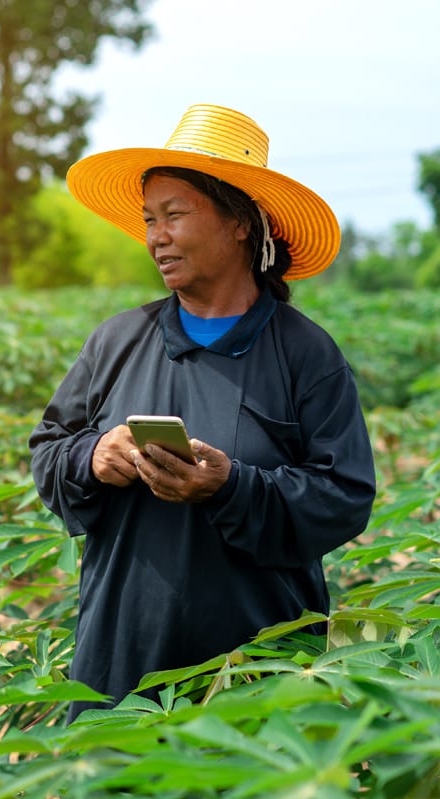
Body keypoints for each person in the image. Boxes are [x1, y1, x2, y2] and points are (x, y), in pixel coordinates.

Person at [29, 104, 376, 722]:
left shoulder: (305, 353)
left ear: (240, 222)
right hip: (121, 658)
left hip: (258, 670)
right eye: (148, 220)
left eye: (175, 215)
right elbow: (49, 448)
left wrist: (232, 485)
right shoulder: (117, 340)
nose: (156, 236)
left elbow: (344, 495)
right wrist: (93, 455)